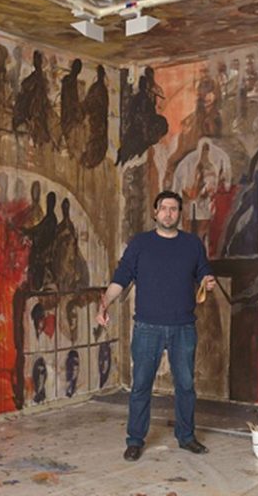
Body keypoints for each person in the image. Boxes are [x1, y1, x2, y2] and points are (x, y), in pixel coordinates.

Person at [96, 190, 215, 462]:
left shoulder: (192, 244)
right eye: (164, 208)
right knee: (141, 385)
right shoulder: (140, 244)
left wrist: (207, 279)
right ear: (155, 212)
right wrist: (104, 304)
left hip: (183, 326)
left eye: (173, 209)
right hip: (147, 327)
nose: (168, 213)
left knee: (185, 385)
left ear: (179, 214)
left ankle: (186, 437)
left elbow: (203, 271)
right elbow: (122, 277)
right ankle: (135, 440)